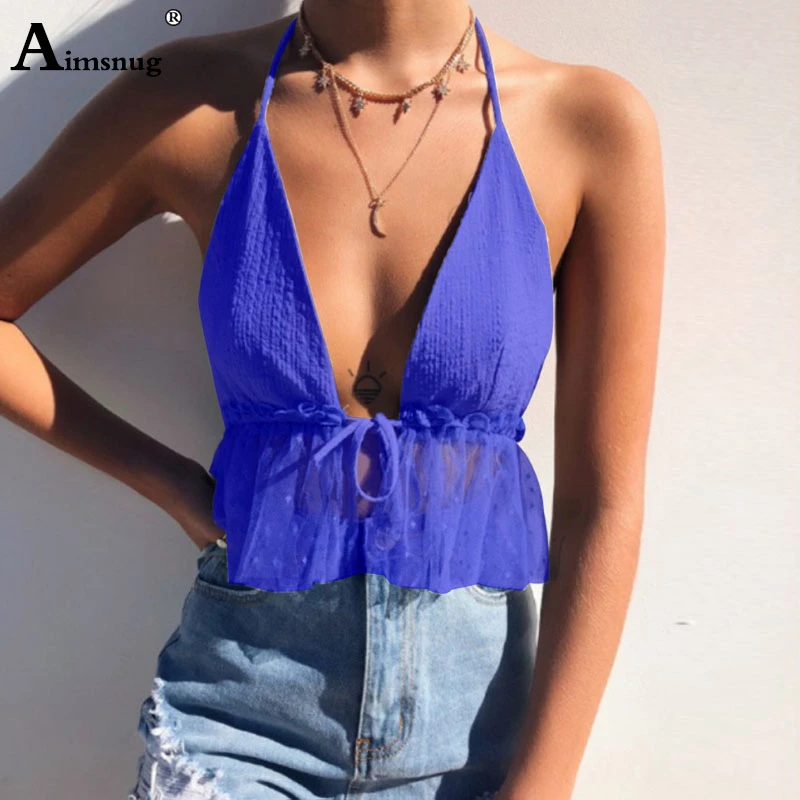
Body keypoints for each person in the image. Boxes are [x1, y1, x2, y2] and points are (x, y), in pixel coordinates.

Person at [0, 1, 665, 798]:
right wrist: (169, 482)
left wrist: (541, 785)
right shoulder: (188, 96)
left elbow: (603, 503)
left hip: (481, 739)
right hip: (238, 727)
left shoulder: (587, 122)